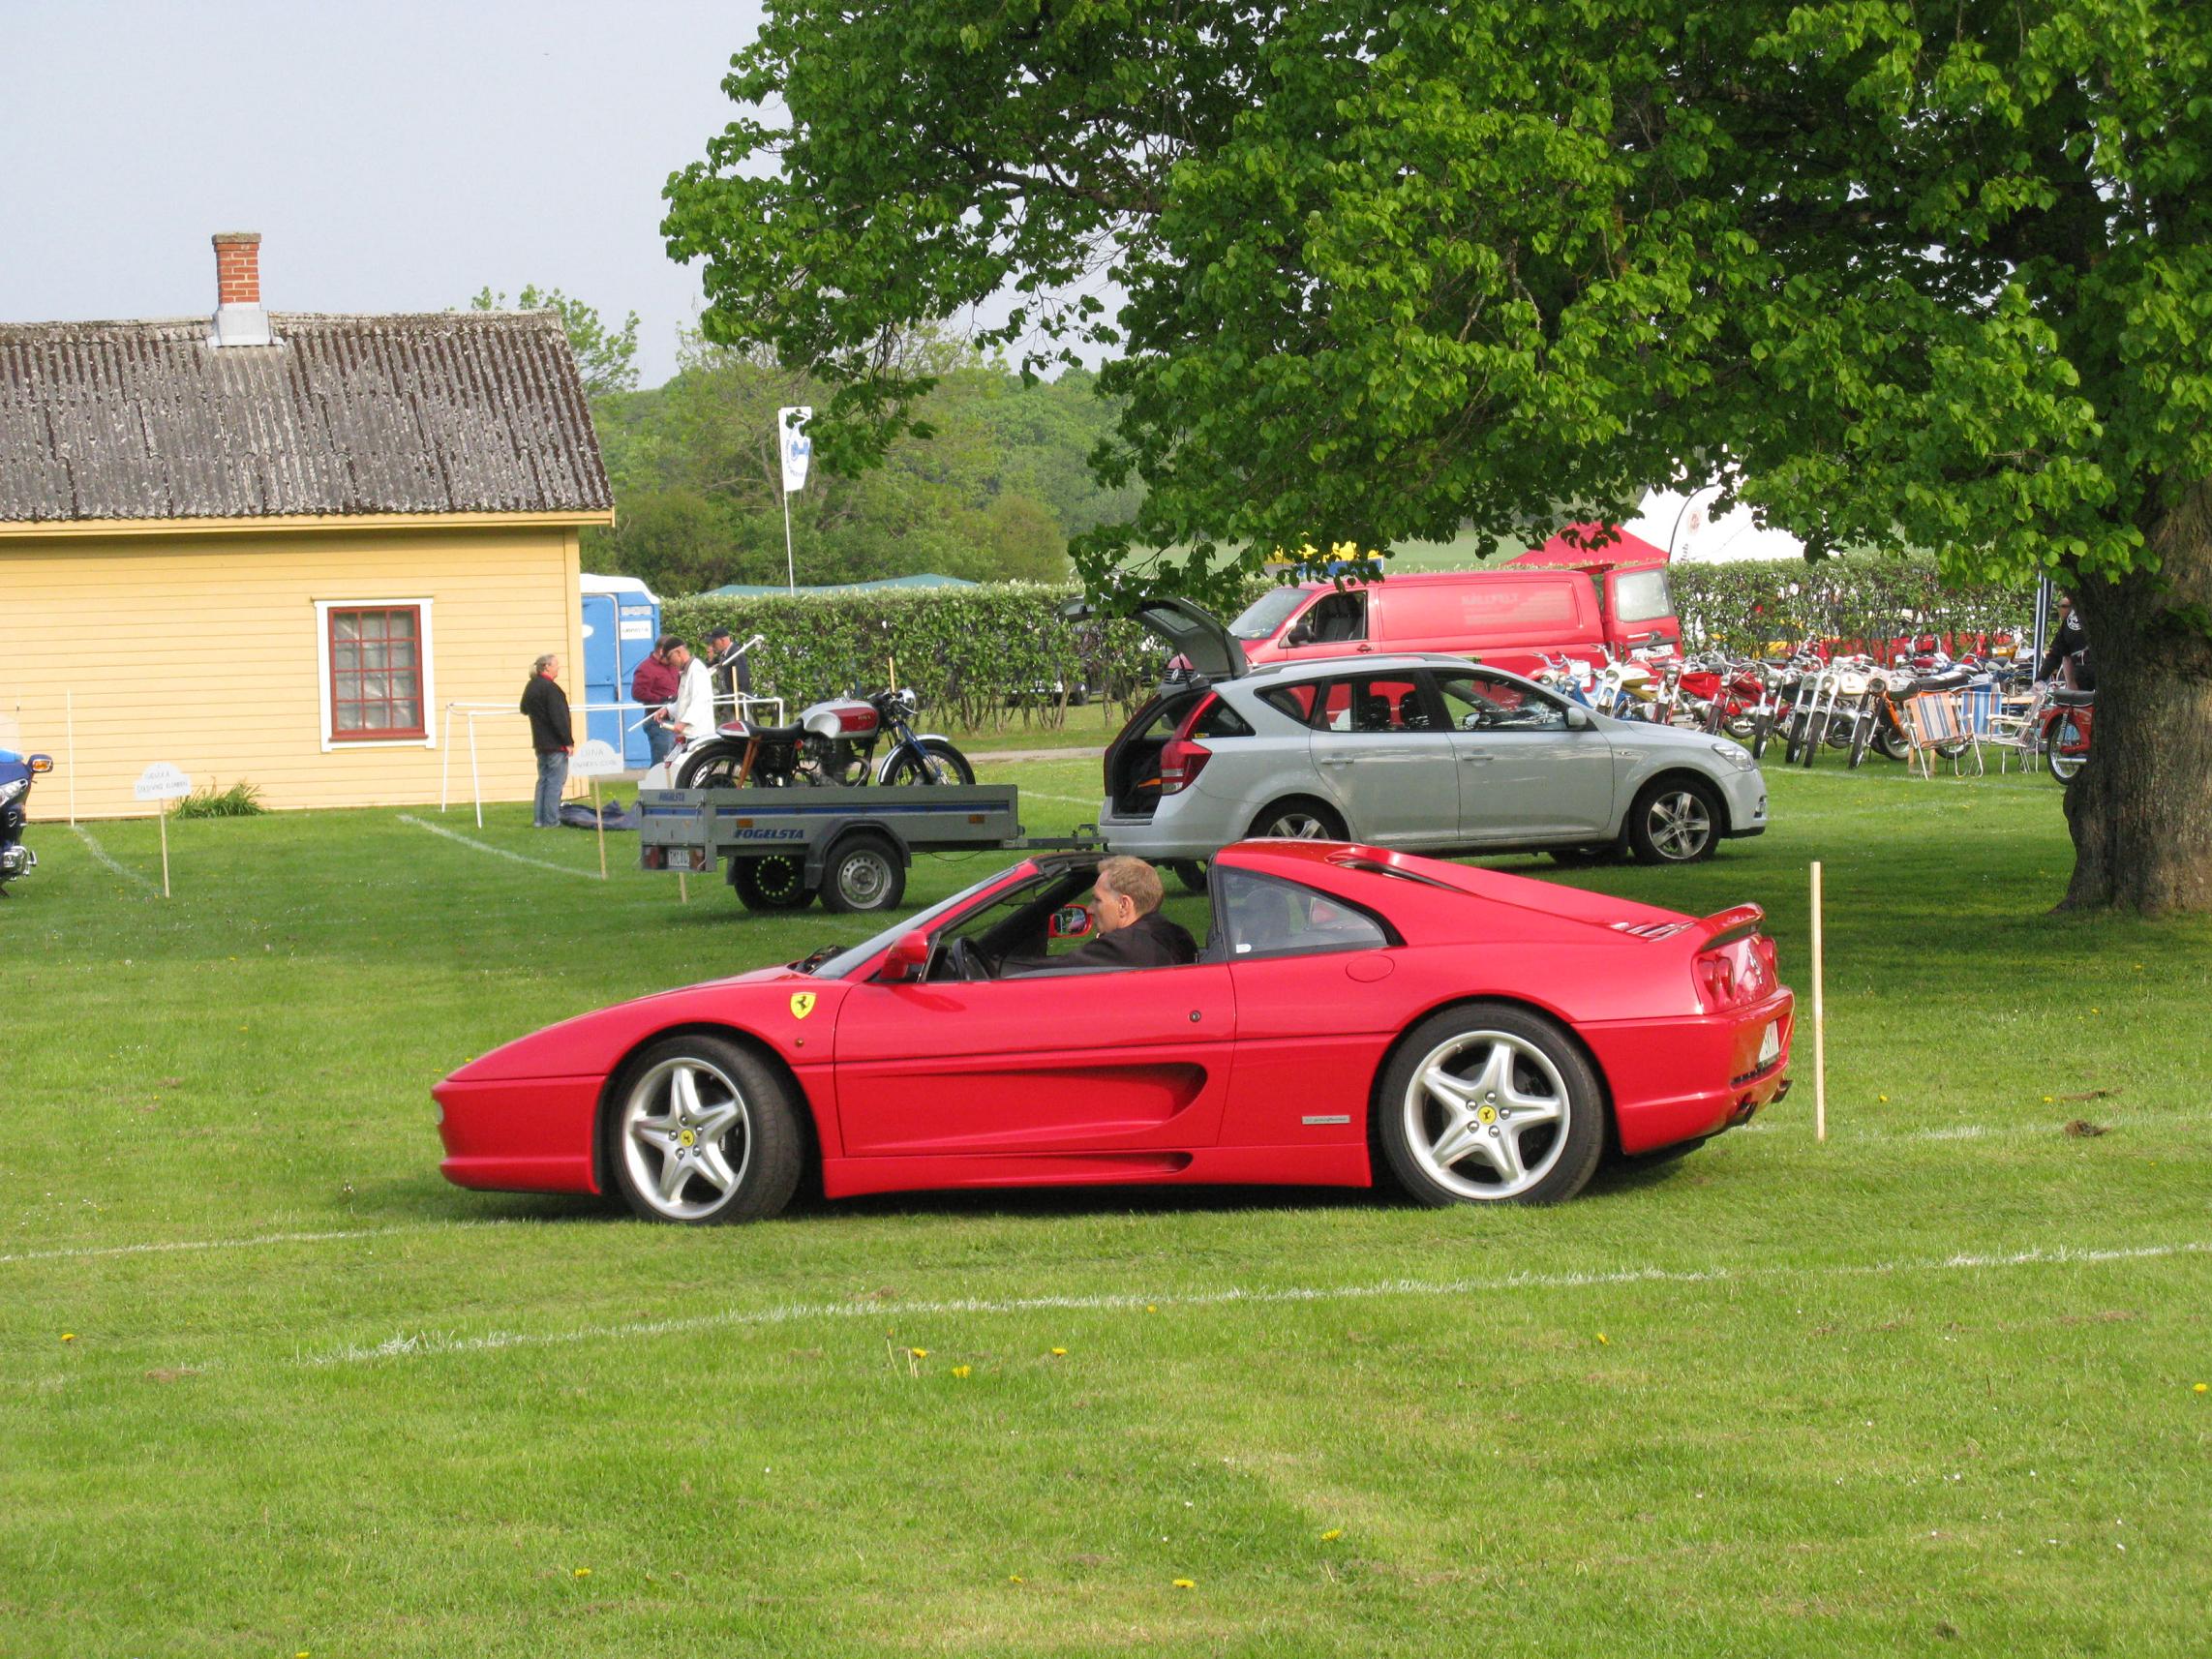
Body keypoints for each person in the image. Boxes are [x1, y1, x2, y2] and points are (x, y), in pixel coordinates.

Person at [1054, 857, 1198, 970]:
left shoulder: (1118, 947)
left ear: (1124, 905)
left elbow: (1052, 971)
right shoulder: (1180, 935)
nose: (1089, 909)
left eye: (1098, 900)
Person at [520, 652, 572, 829]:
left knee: (543, 780)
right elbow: (559, 718)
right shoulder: (551, 689)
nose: (559, 667)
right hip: (555, 743)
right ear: (547, 667)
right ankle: (551, 820)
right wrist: (568, 741)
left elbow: (524, 708)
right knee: (555, 782)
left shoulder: (532, 686)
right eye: (556, 664)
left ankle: (539, 820)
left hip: (540, 742)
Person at [630, 636, 682, 768]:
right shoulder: (646, 668)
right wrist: (661, 699)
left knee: (676, 760)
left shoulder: (673, 666)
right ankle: (656, 786)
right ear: (661, 651)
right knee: (662, 761)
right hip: (659, 721)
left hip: (675, 718)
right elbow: (637, 693)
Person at [667, 639, 716, 752]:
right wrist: (667, 710)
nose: (670, 663)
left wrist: (683, 723)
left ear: (678, 653)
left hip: (697, 734)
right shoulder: (686, 672)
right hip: (687, 735)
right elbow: (683, 702)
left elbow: (700, 701)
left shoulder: (697, 670)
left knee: (698, 769)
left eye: (670, 657)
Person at [2039, 593, 2094, 692]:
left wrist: (2040, 679)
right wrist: (2040, 679)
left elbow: (2059, 654)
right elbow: (2062, 655)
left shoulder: (2070, 621)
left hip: (2092, 670)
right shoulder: (2069, 622)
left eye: (2063, 607)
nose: (2060, 610)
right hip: (2083, 672)